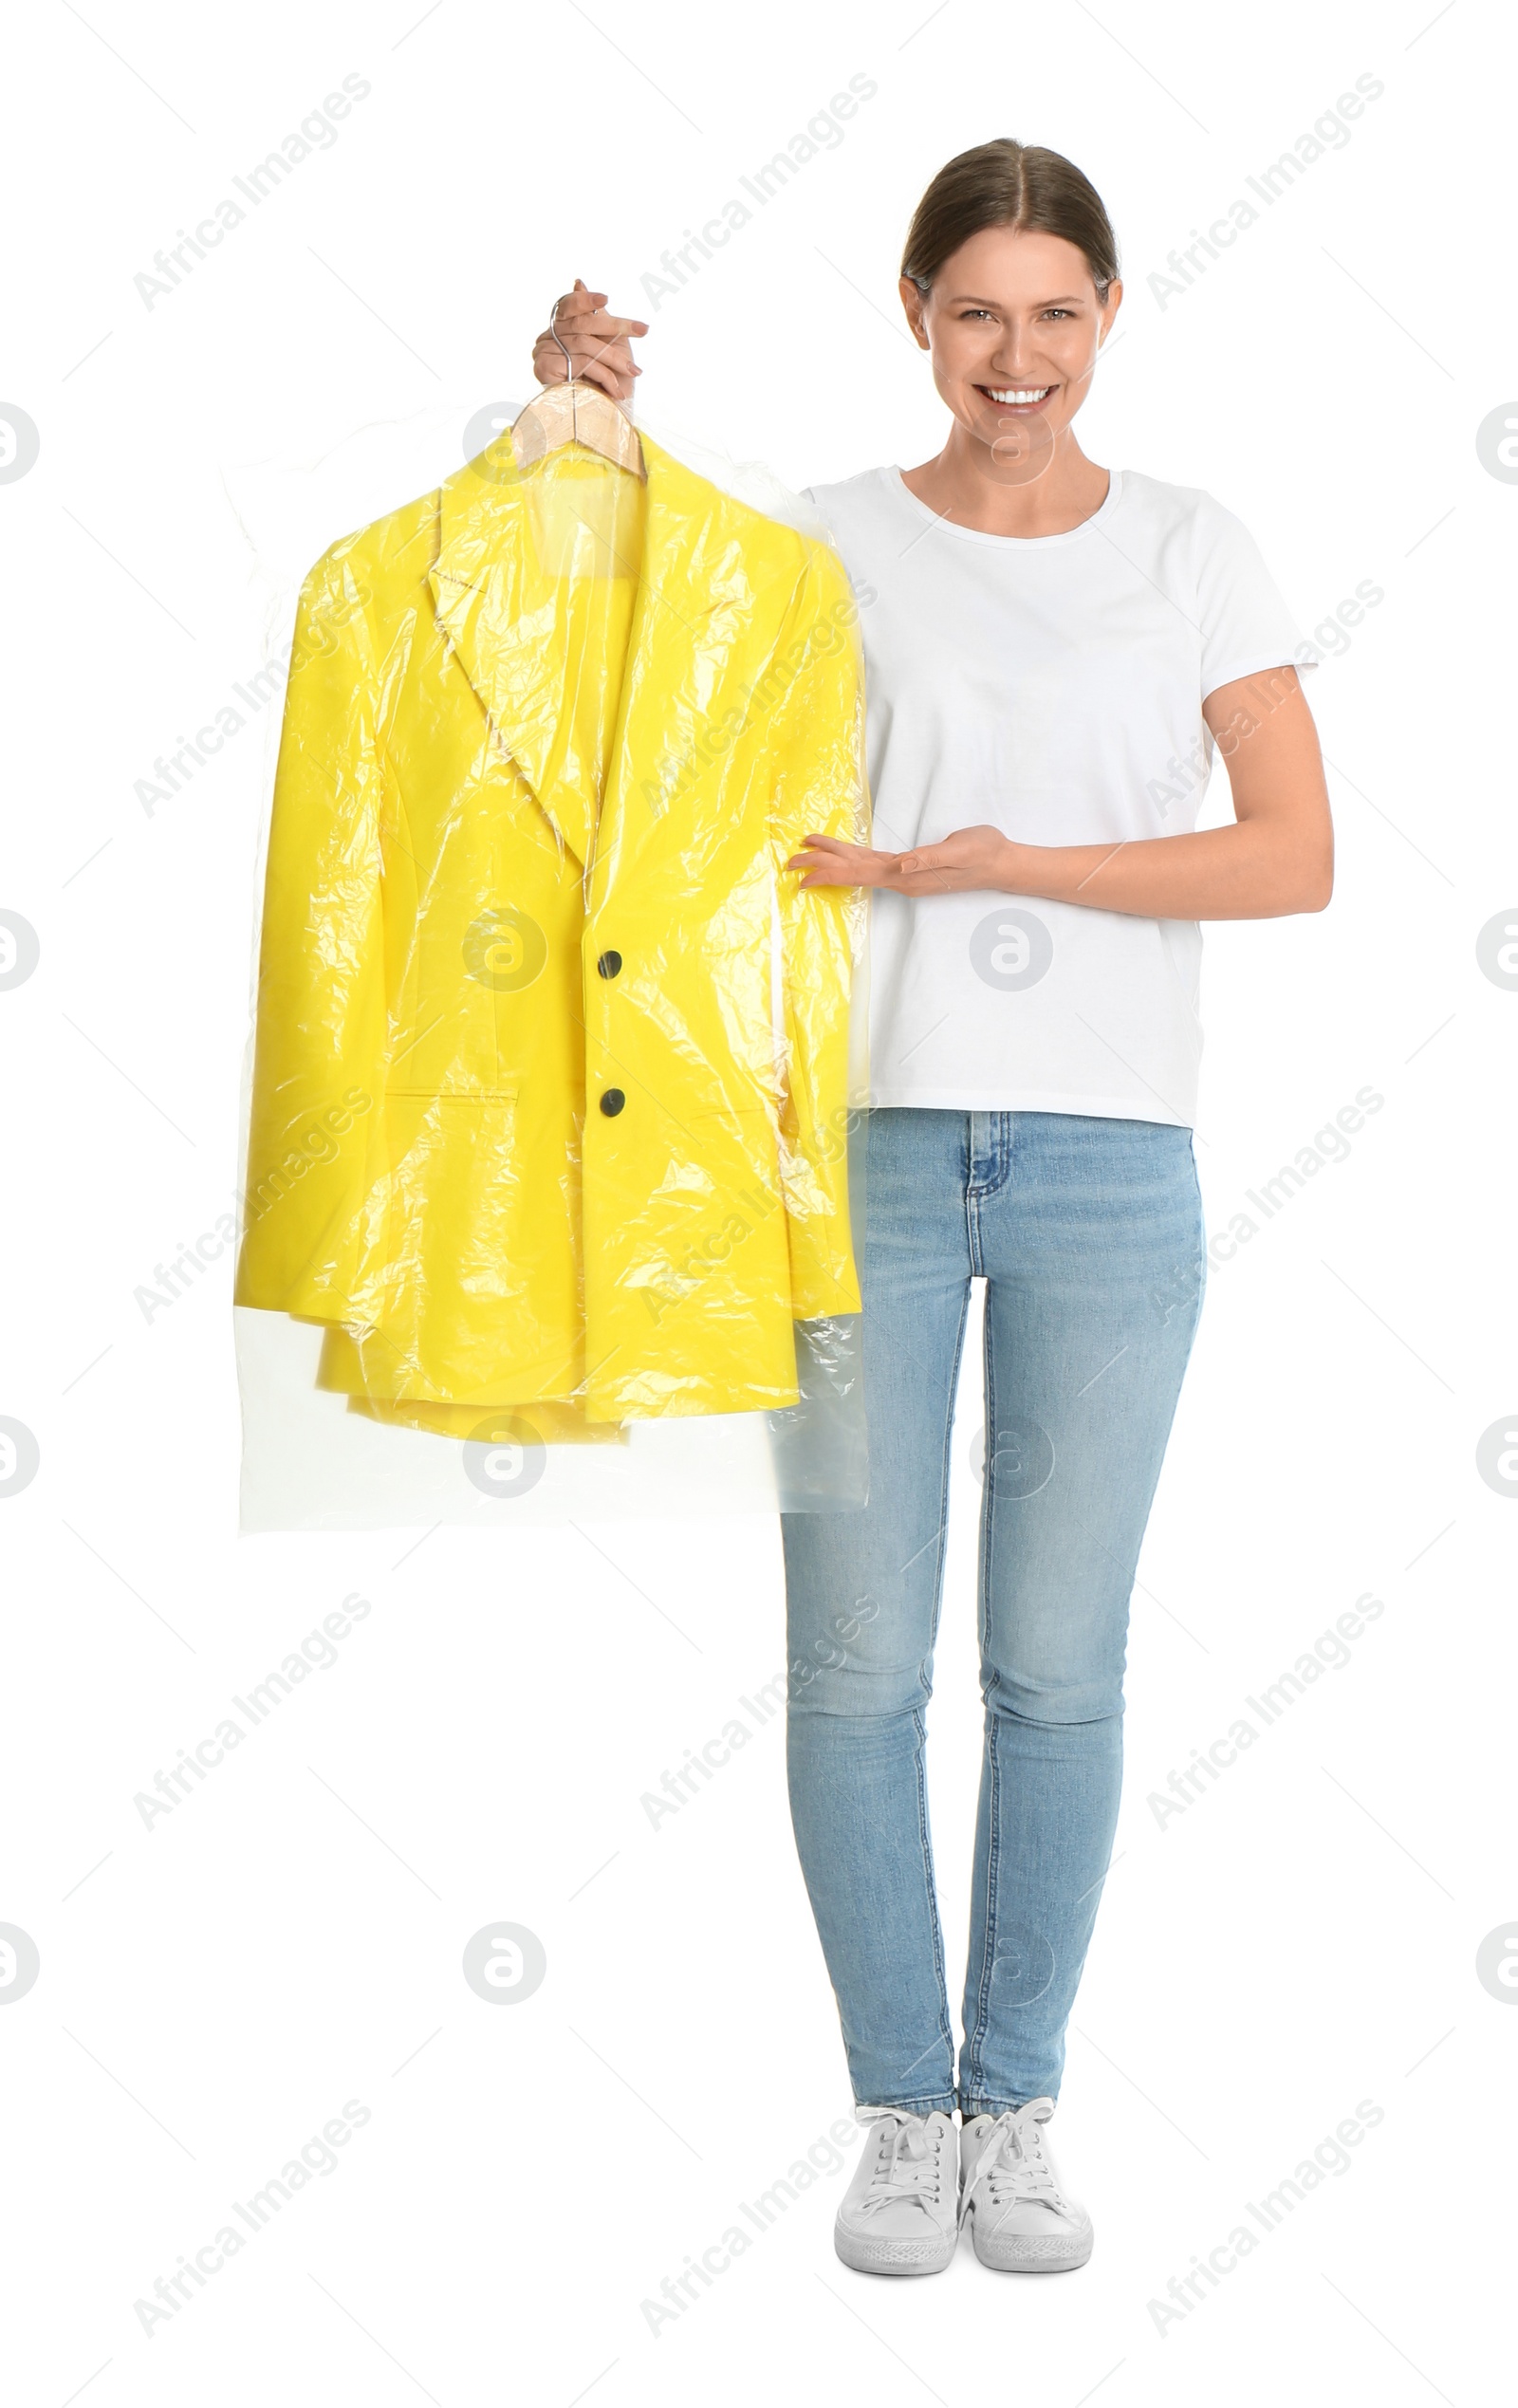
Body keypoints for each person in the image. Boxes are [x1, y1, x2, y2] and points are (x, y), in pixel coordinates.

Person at [530, 137, 1332, 2279]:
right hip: (860, 1151)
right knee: (856, 1667)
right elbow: (599, 652)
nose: (1015, 354)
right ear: (914, 316)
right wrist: (574, 420)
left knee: (1055, 1672)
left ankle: (1020, 2107)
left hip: (1103, 1163)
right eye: (974, 309)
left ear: (1106, 321)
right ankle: (903, 2113)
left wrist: (996, 865)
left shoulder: (1189, 548)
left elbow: (1285, 854)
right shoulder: (821, 545)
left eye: (1053, 313)